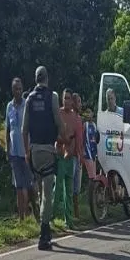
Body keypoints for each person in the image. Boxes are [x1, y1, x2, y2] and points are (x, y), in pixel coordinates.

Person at [22, 66, 63, 250]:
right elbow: (58, 121)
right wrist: (61, 141)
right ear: (47, 78)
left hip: (34, 152)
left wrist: (26, 152)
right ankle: (44, 233)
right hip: (48, 149)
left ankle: (43, 226)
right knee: (47, 195)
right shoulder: (52, 96)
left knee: (39, 191)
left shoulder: (29, 99)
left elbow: (24, 129)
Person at [6, 77, 38, 222]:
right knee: (19, 187)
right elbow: (8, 130)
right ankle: (22, 218)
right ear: (12, 90)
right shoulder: (9, 107)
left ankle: (35, 211)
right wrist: (8, 150)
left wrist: (30, 149)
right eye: (15, 89)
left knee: (29, 186)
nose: (18, 91)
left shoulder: (27, 105)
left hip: (26, 152)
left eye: (20, 89)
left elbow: (32, 128)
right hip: (14, 153)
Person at [53, 88, 79, 230]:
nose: (67, 101)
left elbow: (75, 135)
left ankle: (68, 220)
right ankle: (50, 218)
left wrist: (74, 150)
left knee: (69, 190)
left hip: (70, 156)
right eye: (65, 98)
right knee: (57, 190)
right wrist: (63, 141)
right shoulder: (59, 114)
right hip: (59, 154)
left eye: (69, 98)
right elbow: (54, 134)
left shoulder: (75, 116)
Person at [71, 92, 84, 219]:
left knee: (77, 188)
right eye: (79, 101)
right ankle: (73, 213)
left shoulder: (80, 119)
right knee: (72, 187)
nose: (81, 104)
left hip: (79, 155)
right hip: (73, 155)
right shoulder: (72, 118)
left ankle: (76, 213)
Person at [82, 107, 98, 180]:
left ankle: (91, 191)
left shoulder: (94, 125)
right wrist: (83, 150)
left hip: (94, 153)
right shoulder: (85, 125)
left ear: (92, 114)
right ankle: (90, 191)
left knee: (94, 175)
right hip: (87, 152)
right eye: (87, 113)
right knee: (92, 177)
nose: (88, 114)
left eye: (89, 112)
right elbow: (82, 138)